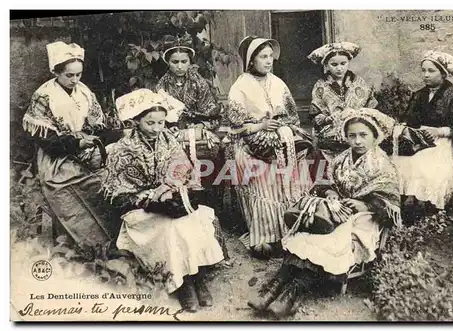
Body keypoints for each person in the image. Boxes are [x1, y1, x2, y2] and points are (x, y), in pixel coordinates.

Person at [247, 108, 401, 318]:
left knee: (328, 242)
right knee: (305, 234)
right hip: (334, 212)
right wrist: (329, 192)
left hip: (364, 219)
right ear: (345, 137)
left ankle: (292, 294)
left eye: (363, 135)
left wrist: (366, 206)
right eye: (352, 135)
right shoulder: (340, 160)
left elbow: (390, 200)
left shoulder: (383, 166)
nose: (357, 141)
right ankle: (273, 289)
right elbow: (324, 182)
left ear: (375, 136)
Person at [101, 89, 226, 313]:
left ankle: (197, 276)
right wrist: (153, 201)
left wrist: (178, 194)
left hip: (170, 201)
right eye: (150, 123)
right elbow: (119, 194)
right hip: (141, 211)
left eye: (161, 122)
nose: (157, 129)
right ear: (136, 120)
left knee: (193, 220)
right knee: (171, 228)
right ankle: (183, 283)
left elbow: (184, 172)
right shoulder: (122, 150)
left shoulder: (168, 139)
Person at [22, 41, 119, 249]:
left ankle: (110, 243)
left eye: (78, 75)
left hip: (86, 150)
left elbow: (97, 127)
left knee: (108, 181)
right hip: (56, 157)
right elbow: (47, 141)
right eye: (69, 75)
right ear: (56, 72)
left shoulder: (84, 92)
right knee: (70, 188)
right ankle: (85, 244)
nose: (75, 80)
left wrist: (110, 136)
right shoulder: (44, 95)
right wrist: (77, 142)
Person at [224, 36, 313, 259]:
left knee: (298, 166)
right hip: (249, 143)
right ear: (251, 60)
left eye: (270, 57)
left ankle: (294, 229)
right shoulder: (240, 87)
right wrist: (261, 125)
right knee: (262, 173)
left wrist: (283, 128)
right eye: (263, 57)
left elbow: (292, 116)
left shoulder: (278, 83)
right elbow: (236, 126)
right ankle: (264, 236)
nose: (268, 61)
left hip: (281, 142)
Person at [393, 50, 453, 216]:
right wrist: (406, 127)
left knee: (428, 165)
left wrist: (438, 131)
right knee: (402, 162)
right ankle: (404, 207)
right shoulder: (420, 94)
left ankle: (434, 207)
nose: (426, 75)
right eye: (423, 70)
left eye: (431, 71)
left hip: (443, 140)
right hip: (419, 140)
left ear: (443, 73)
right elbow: (409, 117)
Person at [155, 36, 223, 213]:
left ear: (189, 62)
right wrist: (168, 127)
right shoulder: (162, 85)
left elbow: (210, 109)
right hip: (172, 130)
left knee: (210, 152)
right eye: (174, 62)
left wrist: (201, 124)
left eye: (183, 61)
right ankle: (178, 201)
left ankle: (207, 203)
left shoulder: (198, 82)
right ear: (168, 62)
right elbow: (157, 112)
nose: (179, 66)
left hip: (198, 127)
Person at [307, 42, 378, 158]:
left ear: (348, 62)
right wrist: (328, 118)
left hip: (357, 125)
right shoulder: (320, 86)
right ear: (326, 65)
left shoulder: (358, 82)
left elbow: (371, 106)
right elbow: (315, 115)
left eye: (343, 63)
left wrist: (358, 114)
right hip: (331, 128)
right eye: (334, 64)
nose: (339, 68)